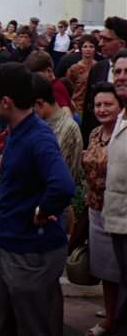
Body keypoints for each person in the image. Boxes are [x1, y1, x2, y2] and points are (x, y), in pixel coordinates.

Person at [0, 62, 75, 335]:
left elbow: (63, 186)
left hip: (32, 253)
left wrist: (42, 210)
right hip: (10, 246)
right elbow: (14, 195)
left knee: (33, 327)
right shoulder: (17, 133)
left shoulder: (38, 137)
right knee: (2, 325)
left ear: (6, 101)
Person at [81, 83, 122, 336]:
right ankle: (109, 314)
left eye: (108, 104)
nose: (102, 109)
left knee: (121, 268)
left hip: (119, 210)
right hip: (94, 208)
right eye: (98, 105)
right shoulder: (95, 133)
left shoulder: (123, 133)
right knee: (105, 269)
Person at [104, 50, 127, 334]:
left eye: (126, 72)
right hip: (117, 219)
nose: (121, 77)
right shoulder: (120, 116)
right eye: (117, 71)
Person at [31, 74, 81, 178]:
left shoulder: (67, 128)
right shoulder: (41, 123)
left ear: (39, 104)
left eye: (30, 107)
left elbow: (50, 171)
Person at [66, 35, 98, 114]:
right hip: (78, 108)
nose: (88, 49)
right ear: (81, 49)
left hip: (95, 107)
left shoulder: (100, 66)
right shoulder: (74, 69)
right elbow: (67, 89)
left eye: (91, 46)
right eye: (85, 46)